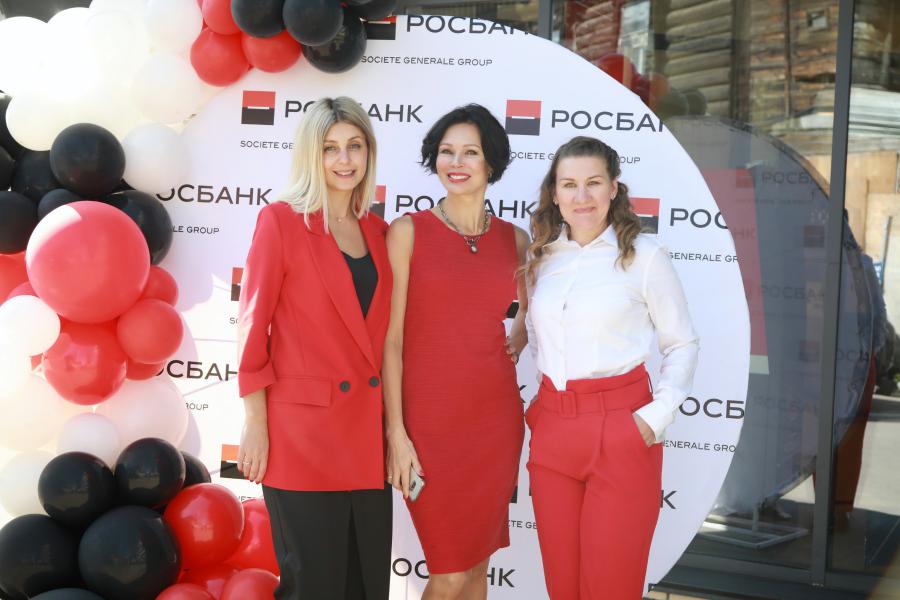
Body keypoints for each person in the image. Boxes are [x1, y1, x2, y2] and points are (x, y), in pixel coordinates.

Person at [523, 136, 699, 599]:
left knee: (610, 588)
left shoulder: (645, 256)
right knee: (562, 587)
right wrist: (541, 409)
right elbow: (540, 338)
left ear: (614, 188)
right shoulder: (542, 258)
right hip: (553, 432)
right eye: (569, 184)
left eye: (594, 183)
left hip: (621, 429)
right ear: (555, 193)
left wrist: (653, 419)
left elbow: (682, 342)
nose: (582, 196)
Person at [236, 97, 393, 600]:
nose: (344, 159)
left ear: (369, 152)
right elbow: (252, 327)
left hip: (367, 439)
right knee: (314, 588)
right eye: (330, 148)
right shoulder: (281, 221)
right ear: (311, 154)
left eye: (354, 146)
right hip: (302, 439)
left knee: (367, 588)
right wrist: (256, 423)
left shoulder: (381, 232)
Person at [382, 104, 530, 599]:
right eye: (447, 151)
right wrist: (396, 433)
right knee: (448, 573)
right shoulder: (407, 232)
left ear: (492, 163)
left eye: (471, 152)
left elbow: (540, 307)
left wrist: (520, 332)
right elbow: (392, 340)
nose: (457, 162)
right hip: (428, 427)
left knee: (476, 569)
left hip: (495, 422)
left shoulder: (516, 240)